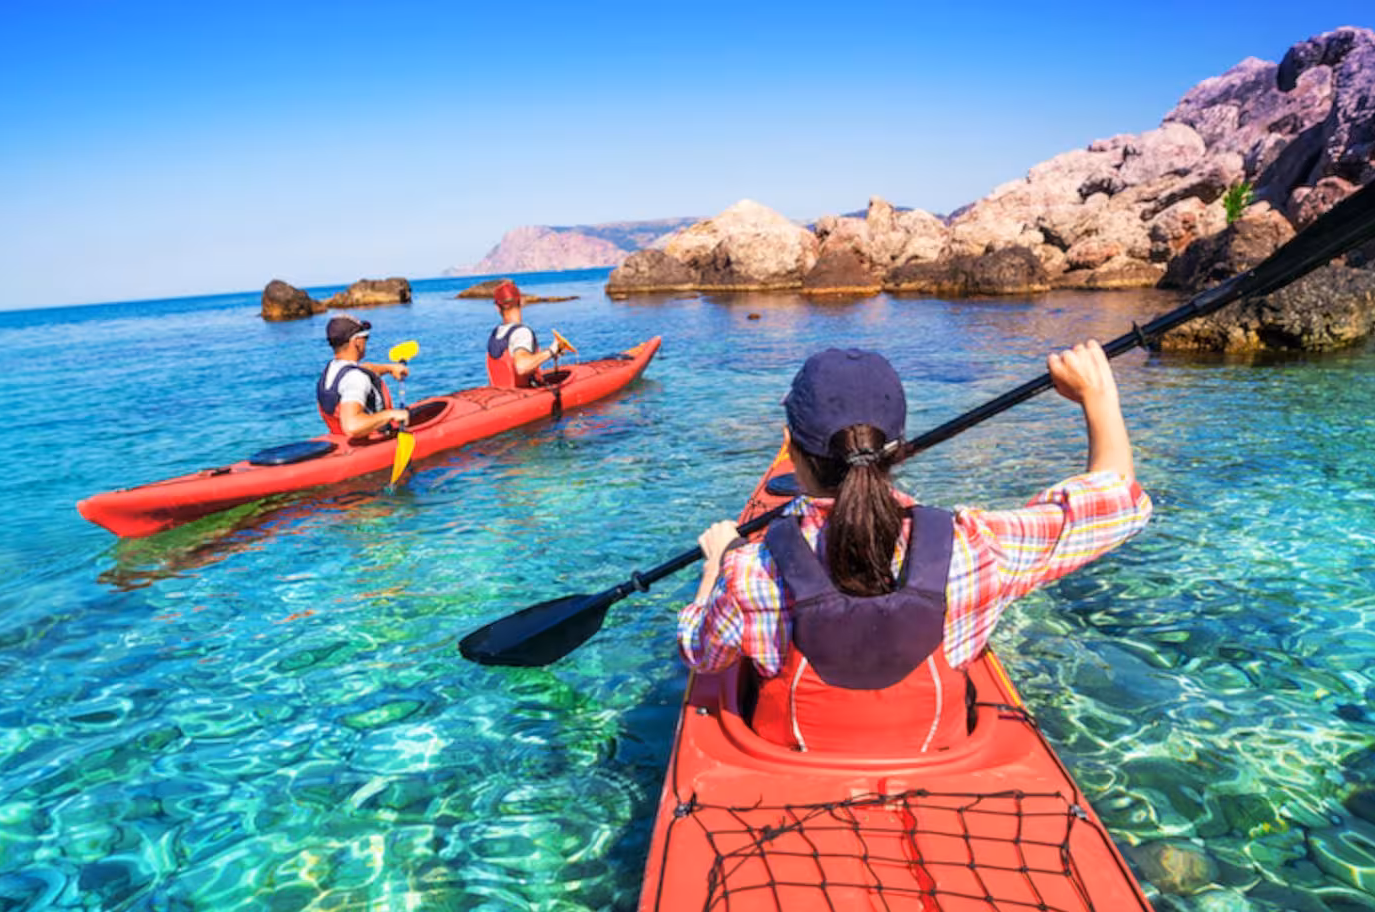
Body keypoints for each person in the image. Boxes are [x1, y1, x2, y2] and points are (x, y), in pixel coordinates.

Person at [679, 343, 1150, 753]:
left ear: (790, 447)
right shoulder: (974, 548)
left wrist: (715, 568)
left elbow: (700, 653)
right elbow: (1120, 504)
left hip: (793, 765)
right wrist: (1097, 396)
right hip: (936, 763)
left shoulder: (749, 573)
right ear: (899, 448)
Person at [318, 315, 410, 439]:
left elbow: (365, 369)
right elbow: (352, 426)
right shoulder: (356, 378)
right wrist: (390, 414)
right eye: (365, 337)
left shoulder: (332, 369)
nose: (366, 342)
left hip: (341, 439)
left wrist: (390, 368)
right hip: (371, 441)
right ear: (357, 342)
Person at [484, 281, 567, 389]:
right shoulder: (522, 332)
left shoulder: (496, 333)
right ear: (522, 302)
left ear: (497, 307)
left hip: (501, 395)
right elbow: (522, 367)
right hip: (523, 395)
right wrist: (551, 351)